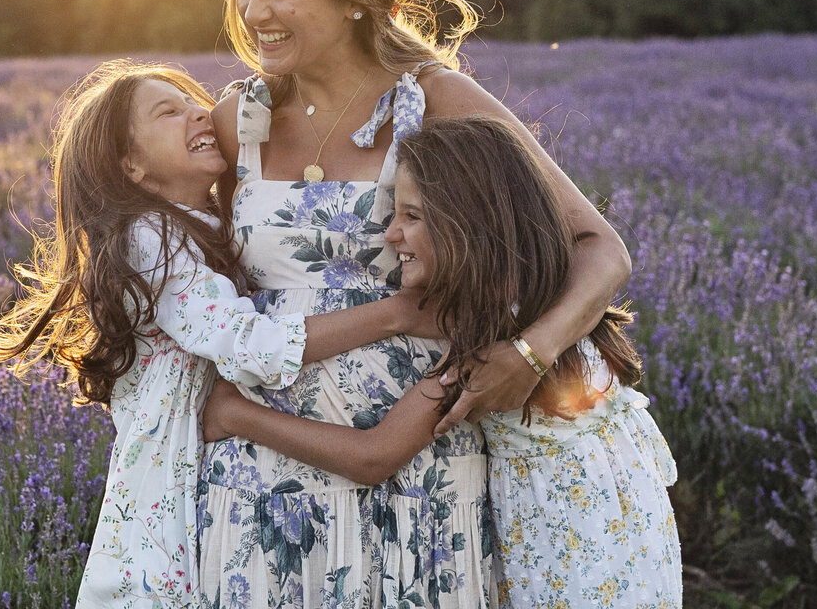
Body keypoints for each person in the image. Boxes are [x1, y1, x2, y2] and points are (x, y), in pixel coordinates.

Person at [197, 0, 632, 608]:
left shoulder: (433, 99)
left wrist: (528, 353)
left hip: (416, 470)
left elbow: (601, 248)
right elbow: (175, 257)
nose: (255, 10)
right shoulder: (238, 115)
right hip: (260, 470)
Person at [0, 60, 439, 608]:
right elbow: (249, 347)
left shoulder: (206, 228)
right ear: (131, 166)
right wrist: (398, 314)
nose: (199, 111)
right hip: (167, 501)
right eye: (167, 112)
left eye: (192, 100)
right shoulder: (150, 240)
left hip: (213, 483)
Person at [203, 115, 683, 607]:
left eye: (411, 216)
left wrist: (238, 415)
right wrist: (399, 314)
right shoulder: (545, 291)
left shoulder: (489, 335)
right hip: (628, 524)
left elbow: (373, 457)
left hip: (568, 552)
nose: (390, 235)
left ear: (469, 223)